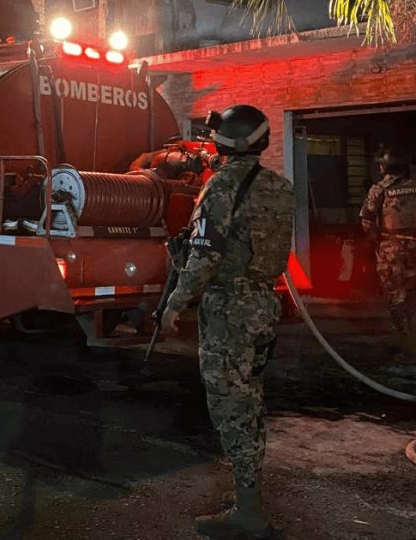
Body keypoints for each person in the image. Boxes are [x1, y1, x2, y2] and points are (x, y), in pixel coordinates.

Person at [160, 104, 295, 540]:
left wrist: (175, 303)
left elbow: (204, 256)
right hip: (263, 304)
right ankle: (246, 496)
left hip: (230, 308)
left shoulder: (221, 187)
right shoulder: (279, 186)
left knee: (230, 405)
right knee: (250, 399)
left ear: (228, 141)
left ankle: (250, 515)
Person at [358, 144, 416, 363]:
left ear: (386, 166)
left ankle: (408, 350)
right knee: (411, 296)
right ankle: (414, 343)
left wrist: (376, 241)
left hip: (390, 249)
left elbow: (367, 221)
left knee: (396, 298)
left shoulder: (379, 189)